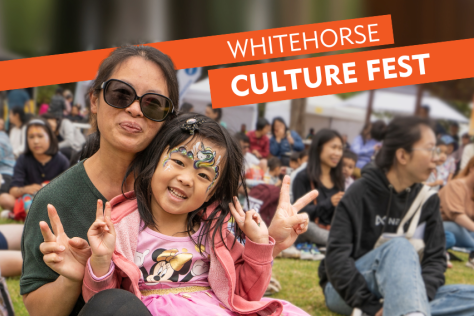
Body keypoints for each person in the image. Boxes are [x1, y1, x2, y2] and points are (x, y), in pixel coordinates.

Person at [21, 46, 312, 316]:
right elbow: (42, 308)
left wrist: (268, 244)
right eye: (121, 94)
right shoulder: (59, 201)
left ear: (168, 120)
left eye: (153, 104)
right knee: (116, 305)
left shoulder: (202, 211)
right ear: (95, 100)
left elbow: (236, 284)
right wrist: (75, 276)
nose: (134, 109)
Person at [52, 113, 315, 316]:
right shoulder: (120, 226)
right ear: (155, 160)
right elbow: (104, 303)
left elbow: (247, 292)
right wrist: (99, 259)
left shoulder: (216, 229)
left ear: (213, 191)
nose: (187, 179)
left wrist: (259, 245)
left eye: (203, 175)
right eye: (178, 162)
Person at [320, 116, 474, 316]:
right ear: (402, 156)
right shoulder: (360, 192)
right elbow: (337, 259)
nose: (436, 157)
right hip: (347, 291)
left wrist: (416, 297)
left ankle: (404, 310)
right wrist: (371, 306)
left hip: (406, 287)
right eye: (429, 149)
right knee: (399, 246)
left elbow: (435, 261)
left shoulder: (428, 200)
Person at [0, 118, 69, 220]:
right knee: (4, 199)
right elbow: (13, 190)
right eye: (31, 137)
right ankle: (28, 215)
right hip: (27, 200)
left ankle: (19, 215)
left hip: (53, 203)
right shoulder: (23, 159)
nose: (36, 141)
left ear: (50, 137)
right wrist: (28, 189)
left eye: (40, 136)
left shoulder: (62, 161)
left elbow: (67, 191)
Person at [293, 129, 344, 247]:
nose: (337, 153)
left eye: (340, 149)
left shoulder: (339, 180)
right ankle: (336, 242)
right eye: (333, 147)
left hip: (332, 231)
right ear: (318, 148)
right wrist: (329, 203)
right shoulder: (303, 178)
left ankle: (336, 241)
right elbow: (298, 214)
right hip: (309, 232)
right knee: (307, 226)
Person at [439, 156, 474, 269]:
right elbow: (457, 216)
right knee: (452, 233)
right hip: (439, 225)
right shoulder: (456, 185)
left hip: (460, 230)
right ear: (471, 168)